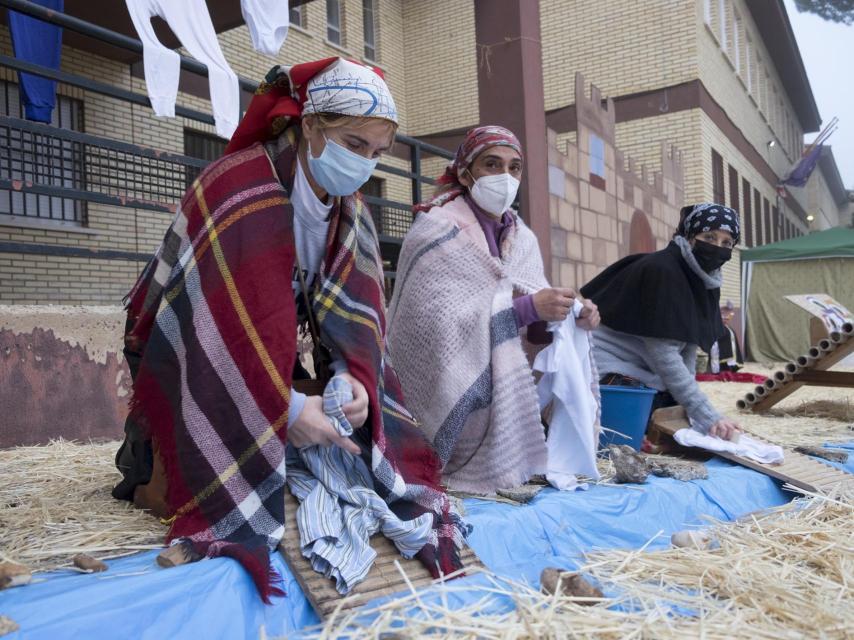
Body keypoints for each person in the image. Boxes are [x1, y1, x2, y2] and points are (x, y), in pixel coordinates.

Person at [111, 57, 465, 600]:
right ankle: (158, 462)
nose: (364, 164)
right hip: (184, 356)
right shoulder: (237, 189)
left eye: (376, 153)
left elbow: (361, 324)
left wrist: (352, 384)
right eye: (353, 143)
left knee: (366, 464)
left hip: (257, 361)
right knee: (233, 490)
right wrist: (288, 412)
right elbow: (213, 333)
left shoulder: (353, 212)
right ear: (309, 126)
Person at [387, 125, 600, 494]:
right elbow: (433, 327)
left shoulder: (522, 237)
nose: (505, 176)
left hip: (500, 389)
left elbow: (533, 318)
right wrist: (524, 309)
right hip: (441, 381)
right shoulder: (435, 229)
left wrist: (570, 314)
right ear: (466, 171)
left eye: (514, 167)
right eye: (492, 164)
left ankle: (506, 460)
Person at [580, 202, 742, 441]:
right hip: (608, 374)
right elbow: (665, 356)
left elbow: (686, 346)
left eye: (726, 243)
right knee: (641, 428)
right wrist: (708, 416)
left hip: (645, 374)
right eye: (709, 236)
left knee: (678, 416)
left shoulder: (701, 277)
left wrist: (697, 413)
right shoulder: (663, 271)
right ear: (688, 237)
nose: (717, 248)